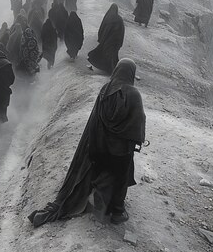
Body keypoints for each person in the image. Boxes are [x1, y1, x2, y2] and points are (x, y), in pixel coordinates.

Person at [28, 59, 146, 227]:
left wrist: (96, 144)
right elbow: (137, 121)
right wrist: (137, 140)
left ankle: (99, 196)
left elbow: (95, 120)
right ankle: (117, 211)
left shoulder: (105, 89)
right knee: (122, 173)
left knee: (104, 170)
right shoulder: (133, 94)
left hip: (100, 146)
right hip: (119, 150)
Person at [87, 4, 125, 74]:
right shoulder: (119, 19)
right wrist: (120, 43)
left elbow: (102, 28)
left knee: (107, 55)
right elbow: (122, 32)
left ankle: (110, 70)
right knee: (112, 56)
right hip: (115, 42)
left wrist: (101, 38)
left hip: (107, 41)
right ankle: (112, 70)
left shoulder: (108, 17)